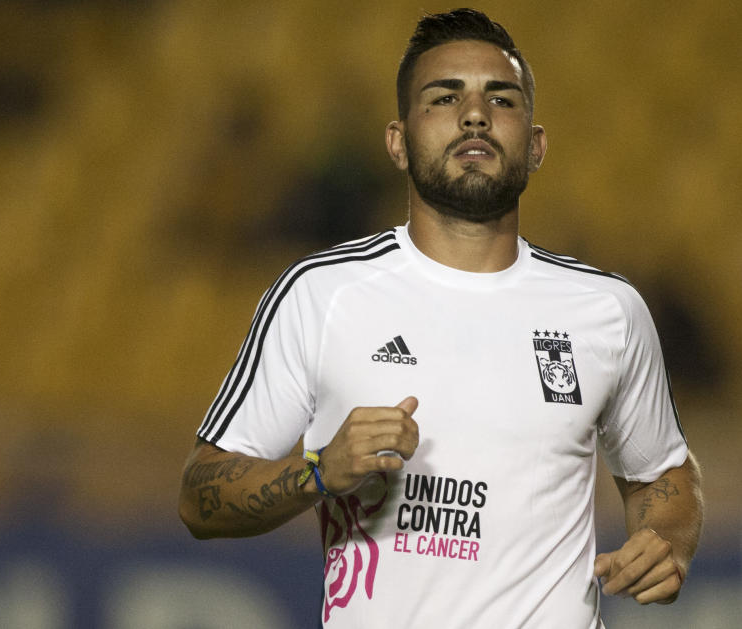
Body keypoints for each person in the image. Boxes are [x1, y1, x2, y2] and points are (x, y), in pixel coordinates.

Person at [178, 9, 703, 628]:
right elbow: (200, 494)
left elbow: (662, 474)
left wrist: (666, 543)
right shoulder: (322, 296)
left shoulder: (608, 312)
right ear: (397, 142)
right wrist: (317, 473)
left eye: (500, 99)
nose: (474, 113)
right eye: (444, 97)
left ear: (535, 146)